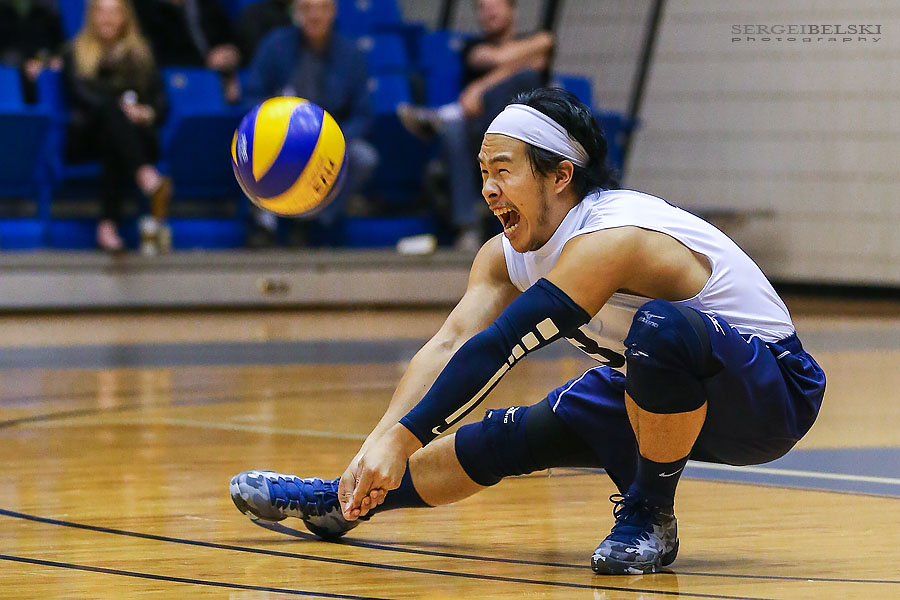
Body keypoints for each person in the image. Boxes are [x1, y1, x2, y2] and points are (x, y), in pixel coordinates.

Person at [230, 88, 826, 575]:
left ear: (560, 174)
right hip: (653, 387)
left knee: (660, 329)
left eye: (503, 171)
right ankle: (339, 501)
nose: (488, 189)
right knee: (504, 438)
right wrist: (378, 444)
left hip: (770, 393)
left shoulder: (611, 237)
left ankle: (650, 515)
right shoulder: (501, 255)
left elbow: (502, 346)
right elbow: (450, 345)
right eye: (482, 173)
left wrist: (403, 438)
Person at [398, 0, 553, 250]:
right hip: (480, 138)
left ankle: (446, 115)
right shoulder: (473, 47)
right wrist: (522, 60)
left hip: (526, 138)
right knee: (457, 128)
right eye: (482, 7)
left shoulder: (537, 38)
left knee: (526, 80)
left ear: (512, 8)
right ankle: (467, 226)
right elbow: (494, 58)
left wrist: (480, 88)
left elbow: (545, 41)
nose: (489, 10)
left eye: (495, 4)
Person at [242, 0, 377, 246]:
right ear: (296, 12)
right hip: (279, 137)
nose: (314, 16)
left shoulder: (351, 54)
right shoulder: (274, 45)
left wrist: (332, 139)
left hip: (329, 141)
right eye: (307, 8)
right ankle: (264, 223)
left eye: (322, 8)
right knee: (252, 149)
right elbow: (251, 95)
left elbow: (363, 114)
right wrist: (274, 125)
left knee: (364, 157)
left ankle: (311, 220)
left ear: (333, 12)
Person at [63, 0, 172, 252]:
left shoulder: (142, 54)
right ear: (91, 16)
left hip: (131, 137)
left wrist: (145, 113)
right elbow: (82, 98)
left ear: (126, 17)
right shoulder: (74, 52)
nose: (107, 19)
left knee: (116, 142)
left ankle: (107, 227)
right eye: (100, 11)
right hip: (86, 136)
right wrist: (123, 110)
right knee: (110, 113)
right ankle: (146, 177)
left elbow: (161, 104)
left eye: (114, 12)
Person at [134, 0, 242, 103]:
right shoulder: (143, 8)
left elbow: (231, 39)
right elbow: (155, 59)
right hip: (174, 86)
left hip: (223, 80)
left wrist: (232, 53)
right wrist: (207, 63)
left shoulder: (205, 3)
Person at [0, 0, 65, 102]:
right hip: (10, 84)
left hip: (46, 80)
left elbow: (59, 49)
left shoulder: (47, 10)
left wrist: (45, 63)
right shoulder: (3, 12)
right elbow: (5, 52)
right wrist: (24, 65)